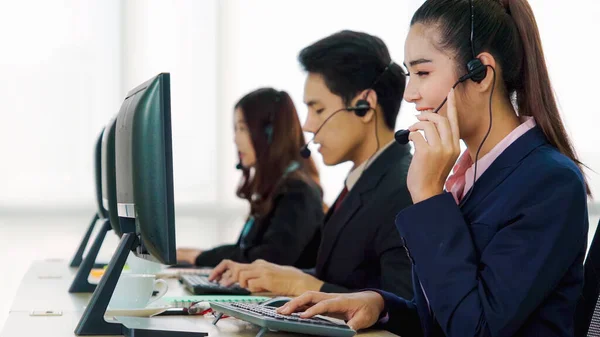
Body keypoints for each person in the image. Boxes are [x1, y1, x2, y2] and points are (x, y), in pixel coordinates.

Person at [277, 1, 590, 336]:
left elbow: (476, 329)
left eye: (423, 73)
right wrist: (380, 306)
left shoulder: (547, 182)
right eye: (410, 75)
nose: (410, 94)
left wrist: (427, 196)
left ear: (480, 72)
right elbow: (448, 311)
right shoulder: (470, 176)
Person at [208, 30, 415, 299]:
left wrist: (303, 285)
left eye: (318, 109)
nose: (307, 125)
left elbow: (405, 309)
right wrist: (280, 276)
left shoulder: (405, 188)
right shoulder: (362, 182)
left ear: (364, 105)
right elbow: (342, 279)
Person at [177, 88, 324, 268]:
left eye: (243, 128)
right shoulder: (275, 188)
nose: (235, 139)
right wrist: (201, 256)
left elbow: (269, 259)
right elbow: (248, 250)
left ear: (271, 134)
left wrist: (200, 257)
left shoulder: (298, 191)